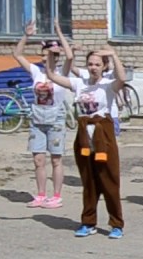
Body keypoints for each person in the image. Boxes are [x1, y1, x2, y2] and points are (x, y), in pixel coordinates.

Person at [45, 31, 130, 239]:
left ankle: (116, 224)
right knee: (89, 182)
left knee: (109, 181)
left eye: (97, 64)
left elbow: (122, 78)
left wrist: (113, 54)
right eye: (90, 64)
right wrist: (49, 55)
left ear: (104, 67)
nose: (93, 68)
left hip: (103, 134)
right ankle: (88, 222)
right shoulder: (79, 84)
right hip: (83, 135)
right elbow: (53, 76)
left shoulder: (107, 86)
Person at [13, 21, 69, 210]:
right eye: (44, 56)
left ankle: (56, 195)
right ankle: (41, 194)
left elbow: (70, 56)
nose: (46, 59)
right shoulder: (36, 72)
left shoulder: (62, 72)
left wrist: (59, 33)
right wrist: (26, 35)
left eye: (50, 55)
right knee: (38, 159)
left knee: (56, 159)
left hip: (56, 118)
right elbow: (18, 55)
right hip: (38, 117)